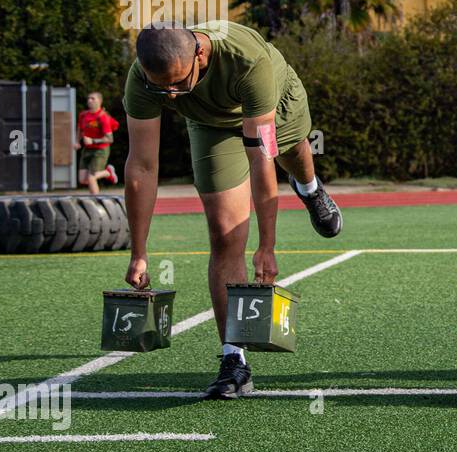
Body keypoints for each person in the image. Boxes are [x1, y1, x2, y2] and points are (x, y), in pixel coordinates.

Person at [122, 20, 343, 400]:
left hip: (274, 105)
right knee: (224, 238)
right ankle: (234, 361)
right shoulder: (144, 78)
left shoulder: (248, 61)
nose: (170, 96)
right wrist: (138, 253)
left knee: (292, 154)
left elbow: (262, 158)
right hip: (211, 125)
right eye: (162, 86)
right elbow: (142, 165)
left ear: (200, 55)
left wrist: (267, 245)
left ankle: (308, 188)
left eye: (177, 83)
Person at [75, 91, 119, 193]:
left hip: (100, 149)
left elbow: (110, 139)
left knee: (91, 178)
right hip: (87, 149)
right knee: (83, 179)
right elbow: (80, 129)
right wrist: (77, 141)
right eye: (88, 98)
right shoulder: (83, 115)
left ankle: (96, 202)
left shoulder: (103, 117)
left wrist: (93, 140)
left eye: (92, 98)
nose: (89, 100)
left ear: (100, 101)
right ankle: (108, 172)